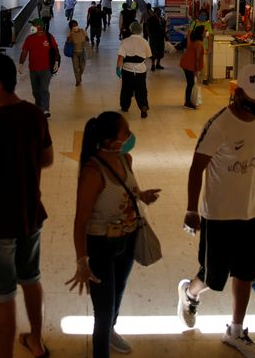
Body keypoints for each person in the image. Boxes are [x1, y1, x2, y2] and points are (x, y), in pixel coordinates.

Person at [177, 64, 255, 358]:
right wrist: (192, 210)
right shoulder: (219, 125)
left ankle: (236, 329)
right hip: (219, 215)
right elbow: (197, 167)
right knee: (213, 277)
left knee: (245, 273)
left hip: (253, 213)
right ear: (238, 92)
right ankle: (190, 293)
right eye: (253, 97)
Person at [0, 53, 54, 358]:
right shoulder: (34, 114)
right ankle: (37, 340)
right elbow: (47, 159)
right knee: (31, 280)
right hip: (30, 214)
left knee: (4, 296)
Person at [66, 111, 161, 358]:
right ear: (110, 140)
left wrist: (143, 196)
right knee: (104, 310)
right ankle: (102, 346)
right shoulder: (92, 173)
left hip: (127, 241)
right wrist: (81, 262)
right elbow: (80, 221)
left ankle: (111, 332)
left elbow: (131, 189)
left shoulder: (126, 159)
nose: (131, 136)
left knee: (118, 292)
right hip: (101, 247)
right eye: (126, 132)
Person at [19, 18, 58, 117]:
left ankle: (45, 109)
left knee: (44, 89)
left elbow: (55, 50)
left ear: (39, 26)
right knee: (35, 91)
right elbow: (24, 52)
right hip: (33, 69)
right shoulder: (29, 38)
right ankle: (39, 107)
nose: (31, 27)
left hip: (46, 68)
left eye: (33, 25)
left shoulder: (49, 37)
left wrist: (56, 62)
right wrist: (21, 64)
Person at [116, 21, 152, 118]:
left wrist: (118, 68)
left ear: (131, 30)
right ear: (140, 30)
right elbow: (148, 56)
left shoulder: (125, 41)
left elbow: (120, 57)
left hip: (127, 69)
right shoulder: (145, 42)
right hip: (141, 70)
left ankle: (125, 106)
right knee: (141, 89)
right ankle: (143, 106)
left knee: (126, 89)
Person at [180, 25, 205, 109]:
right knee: (190, 83)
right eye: (204, 31)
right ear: (201, 33)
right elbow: (197, 58)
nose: (206, 33)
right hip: (189, 65)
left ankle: (188, 101)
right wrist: (197, 70)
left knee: (190, 83)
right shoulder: (199, 43)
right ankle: (187, 103)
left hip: (186, 63)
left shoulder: (194, 41)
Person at [188, 9, 213, 84]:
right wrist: (189, 45)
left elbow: (210, 37)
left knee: (204, 63)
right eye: (201, 14)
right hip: (194, 47)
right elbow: (189, 35)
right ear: (198, 15)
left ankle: (204, 78)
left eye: (205, 15)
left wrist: (210, 47)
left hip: (203, 47)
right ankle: (193, 77)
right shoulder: (194, 23)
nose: (203, 16)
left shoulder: (208, 25)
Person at [67, 19, 89, 86]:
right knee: (76, 68)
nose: (75, 26)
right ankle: (78, 80)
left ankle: (79, 77)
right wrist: (71, 35)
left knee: (82, 67)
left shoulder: (82, 31)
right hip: (74, 53)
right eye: (73, 26)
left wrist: (86, 39)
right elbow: (68, 42)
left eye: (76, 25)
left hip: (82, 52)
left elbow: (87, 39)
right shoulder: (70, 33)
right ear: (71, 27)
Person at [145, 5, 166, 71]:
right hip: (153, 38)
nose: (159, 13)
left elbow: (163, 29)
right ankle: (153, 65)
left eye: (160, 12)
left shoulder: (162, 19)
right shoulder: (150, 20)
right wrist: (150, 36)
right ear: (155, 12)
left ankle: (158, 64)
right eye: (158, 12)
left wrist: (165, 36)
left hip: (160, 38)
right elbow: (147, 29)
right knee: (153, 52)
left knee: (160, 51)